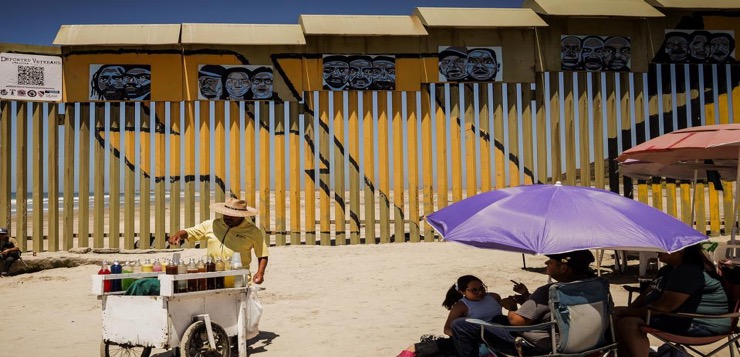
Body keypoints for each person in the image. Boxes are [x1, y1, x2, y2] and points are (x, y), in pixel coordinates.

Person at [450, 250, 598, 356]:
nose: (546, 262)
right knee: (497, 320)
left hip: (542, 346)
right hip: (588, 340)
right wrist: (527, 296)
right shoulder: (597, 286)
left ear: (564, 267)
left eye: (551, 261)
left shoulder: (549, 290)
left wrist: (512, 307)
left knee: (461, 324)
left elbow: (515, 322)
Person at [614, 244, 730, 357]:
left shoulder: (689, 271)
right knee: (611, 315)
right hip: (676, 317)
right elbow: (647, 293)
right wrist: (629, 310)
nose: (657, 250)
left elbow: (665, 306)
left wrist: (628, 313)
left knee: (628, 323)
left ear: (680, 250)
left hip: (702, 323)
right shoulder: (667, 270)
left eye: (664, 246)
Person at [168, 198, 269, 284]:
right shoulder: (212, 224)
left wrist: (260, 272)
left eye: (232, 215)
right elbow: (191, 232)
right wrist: (179, 235)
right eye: (226, 214)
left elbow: (262, 254)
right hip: (212, 276)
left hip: (238, 278)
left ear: (242, 215)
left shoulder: (253, 231)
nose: (228, 217)